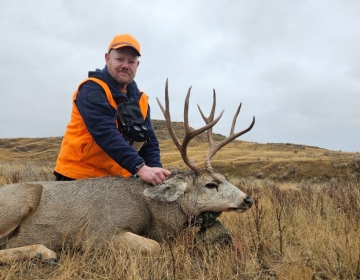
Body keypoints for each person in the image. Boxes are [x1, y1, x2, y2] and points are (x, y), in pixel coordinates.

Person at [54, 34, 171, 186]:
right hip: (78, 178)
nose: (125, 65)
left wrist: (156, 171)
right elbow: (104, 131)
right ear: (107, 58)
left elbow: (149, 142)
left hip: (119, 180)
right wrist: (140, 168)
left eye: (131, 61)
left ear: (137, 65)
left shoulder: (141, 99)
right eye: (119, 59)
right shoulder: (92, 89)